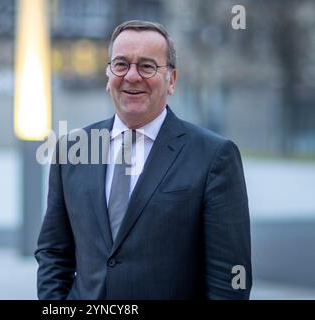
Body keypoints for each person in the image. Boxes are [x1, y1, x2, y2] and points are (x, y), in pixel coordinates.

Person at [35, 20, 252, 299]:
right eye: (121, 64)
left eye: (147, 66)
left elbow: (230, 277)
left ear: (171, 80)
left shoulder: (213, 156)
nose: (132, 76)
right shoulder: (73, 150)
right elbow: (53, 253)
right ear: (108, 75)